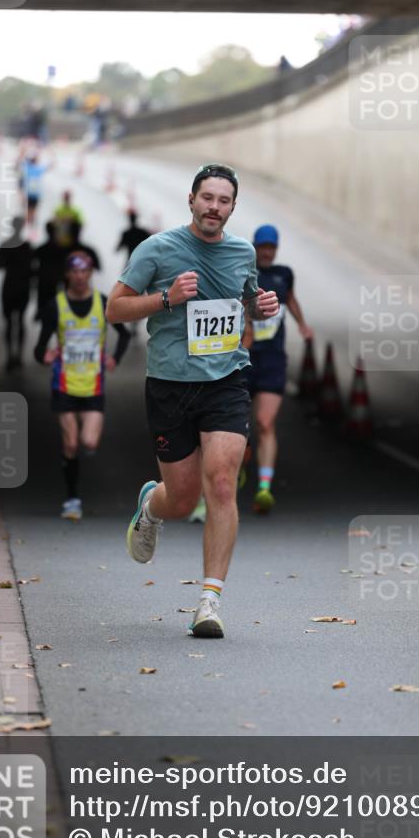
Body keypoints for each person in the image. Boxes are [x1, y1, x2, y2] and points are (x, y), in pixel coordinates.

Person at [106, 163, 279, 639]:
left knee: (222, 483)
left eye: (223, 201)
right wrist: (165, 299)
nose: (214, 207)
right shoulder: (157, 250)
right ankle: (151, 506)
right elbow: (114, 308)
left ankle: (209, 601)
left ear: (232, 207)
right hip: (169, 385)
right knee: (181, 500)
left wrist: (262, 306)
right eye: (207, 198)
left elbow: (248, 299)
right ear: (191, 199)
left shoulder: (243, 252)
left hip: (226, 380)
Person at [34, 251, 131, 521]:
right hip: (64, 385)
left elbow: (124, 334)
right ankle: (72, 498)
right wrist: (45, 355)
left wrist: (115, 358)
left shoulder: (102, 303)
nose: (79, 276)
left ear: (90, 273)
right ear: (68, 274)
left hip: (93, 386)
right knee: (71, 444)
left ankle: (73, 491)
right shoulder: (57, 306)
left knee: (89, 441)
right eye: (74, 271)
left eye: (84, 271)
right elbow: (39, 347)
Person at [243, 224, 313, 513]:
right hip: (243, 358)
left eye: (272, 247)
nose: (268, 252)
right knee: (237, 427)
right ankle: (236, 466)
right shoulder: (244, 273)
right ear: (255, 247)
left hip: (272, 360)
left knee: (265, 423)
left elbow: (291, 300)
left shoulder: (284, 274)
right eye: (263, 247)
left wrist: (302, 323)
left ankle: (264, 489)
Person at [0, 216, 33, 370]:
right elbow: (33, 270)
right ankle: (19, 356)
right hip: (23, 288)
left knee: (9, 323)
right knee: (21, 321)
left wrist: (8, 263)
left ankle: (9, 355)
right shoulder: (27, 246)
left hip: (9, 288)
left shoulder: (5, 245)